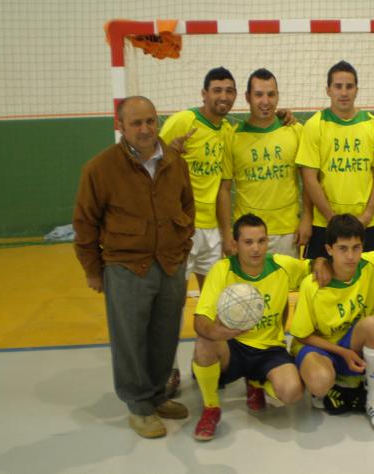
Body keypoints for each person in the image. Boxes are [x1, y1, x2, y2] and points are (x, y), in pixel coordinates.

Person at [73, 96, 193, 438]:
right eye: (136, 123)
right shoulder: (100, 169)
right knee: (131, 340)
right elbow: (85, 223)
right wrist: (93, 270)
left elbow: (187, 206)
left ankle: (157, 395)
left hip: (170, 265)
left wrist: (182, 249)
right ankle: (139, 406)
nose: (145, 129)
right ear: (120, 126)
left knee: (164, 336)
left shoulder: (174, 161)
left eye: (150, 121)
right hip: (126, 267)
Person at [191, 214, 329, 441]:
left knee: (293, 393)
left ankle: (256, 381)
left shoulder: (281, 265)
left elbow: (312, 265)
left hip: (269, 348)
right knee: (204, 341)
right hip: (233, 346)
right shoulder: (222, 270)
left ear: (267, 241)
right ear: (235, 244)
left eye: (261, 241)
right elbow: (200, 320)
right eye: (248, 242)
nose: (256, 248)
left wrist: (321, 261)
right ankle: (211, 408)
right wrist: (217, 332)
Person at [289, 214, 374, 432]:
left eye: (356, 248)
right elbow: (302, 335)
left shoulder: (371, 266)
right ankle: (333, 381)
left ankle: (373, 398)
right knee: (319, 383)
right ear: (329, 250)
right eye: (343, 249)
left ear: (363, 247)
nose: (350, 256)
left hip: (352, 341)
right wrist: (342, 353)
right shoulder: (313, 284)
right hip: (319, 345)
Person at [159, 67, 238, 395]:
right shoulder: (183, 121)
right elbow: (151, 166)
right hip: (180, 231)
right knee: (172, 303)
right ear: (204, 93)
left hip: (211, 234)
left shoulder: (227, 132)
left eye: (229, 91)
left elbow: (223, 188)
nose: (223, 96)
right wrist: (170, 154)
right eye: (217, 90)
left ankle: (205, 361)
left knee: (213, 304)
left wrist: (227, 233)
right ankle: (168, 369)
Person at [296, 60, 374, 259]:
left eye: (349, 86)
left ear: (356, 90)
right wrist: (331, 217)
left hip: (365, 223)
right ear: (328, 90)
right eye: (338, 86)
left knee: (371, 275)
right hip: (324, 223)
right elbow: (309, 178)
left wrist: (367, 216)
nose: (344, 92)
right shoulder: (315, 125)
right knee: (319, 275)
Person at [220, 68, 312, 258]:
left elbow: (309, 182)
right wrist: (227, 232)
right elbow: (224, 189)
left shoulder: (296, 131)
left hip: (287, 233)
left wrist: (307, 218)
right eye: (258, 94)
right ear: (247, 97)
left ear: (278, 96)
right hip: (247, 234)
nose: (265, 101)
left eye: (271, 94)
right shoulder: (232, 136)